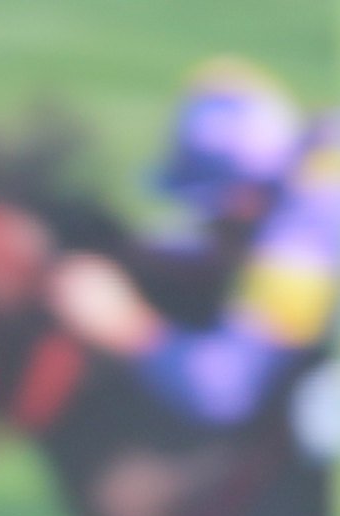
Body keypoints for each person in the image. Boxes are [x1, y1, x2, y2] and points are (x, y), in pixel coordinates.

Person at [50, 59, 339, 433]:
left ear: (242, 201)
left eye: (212, 213)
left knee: (320, 419)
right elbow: (225, 244)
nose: (208, 228)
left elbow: (224, 392)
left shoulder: (302, 246)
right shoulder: (313, 157)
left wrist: (127, 325)